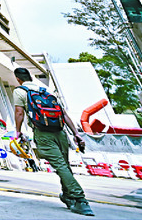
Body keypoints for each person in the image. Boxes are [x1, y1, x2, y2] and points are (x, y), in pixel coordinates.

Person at [12, 67, 93, 216]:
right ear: (30, 77)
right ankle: (68, 196)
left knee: (61, 166)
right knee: (65, 166)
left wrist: (17, 131)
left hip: (43, 133)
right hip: (60, 132)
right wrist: (76, 134)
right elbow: (64, 114)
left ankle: (79, 199)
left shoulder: (20, 91)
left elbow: (19, 113)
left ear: (18, 79)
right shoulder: (46, 92)